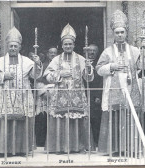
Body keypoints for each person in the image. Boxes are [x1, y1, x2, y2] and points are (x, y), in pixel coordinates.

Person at [96, 10, 145, 156]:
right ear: (113, 34)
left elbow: (143, 66)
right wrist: (111, 67)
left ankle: (132, 148)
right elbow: (99, 69)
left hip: (131, 89)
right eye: (117, 32)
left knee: (131, 116)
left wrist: (144, 49)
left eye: (122, 32)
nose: (120, 35)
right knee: (115, 117)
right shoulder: (107, 52)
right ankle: (114, 149)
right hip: (114, 90)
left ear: (126, 33)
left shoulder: (134, 50)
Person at [0, 27, 42, 157]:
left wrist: (37, 63)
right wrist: (3, 75)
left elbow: (35, 76)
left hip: (22, 96)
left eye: (15, 46)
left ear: (19, 47)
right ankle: (2, 150)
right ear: (7, 46)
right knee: (4, 120)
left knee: (22, 121)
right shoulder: (0, 61)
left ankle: (22, 149)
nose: (13, 48)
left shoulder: (26, 61)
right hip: (4, 96)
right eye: (11, 46)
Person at [43, 24, 94, 153]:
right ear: (62, 45)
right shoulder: (56, 59)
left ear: (74, 45)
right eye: (65, 44)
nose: (68, 46)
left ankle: (78, 147)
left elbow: (88, 79)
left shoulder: (81, 59)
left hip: (77, 95)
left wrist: (88, 69)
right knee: (60, 119)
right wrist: (59, 74)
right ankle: (60, 148)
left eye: (70, 44)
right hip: (59, 96)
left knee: (76, 120)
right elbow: (47, 76)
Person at [34, 47, 58, 146]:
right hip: (45, 95)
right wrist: (43, 92)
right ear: (47, 54)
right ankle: (41, 142)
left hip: (57, 96)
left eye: (54, 53)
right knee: (43, 119)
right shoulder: (43, 66)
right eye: (51, 53)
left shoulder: (60, 65)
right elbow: (37, 81)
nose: (52, 55)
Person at [86, 44, 103, 147]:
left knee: (95, 120)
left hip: (95, 96)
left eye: (94, 51)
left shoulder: (99, 65)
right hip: (84, 95)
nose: (91, 53)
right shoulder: (82, 63)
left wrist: (98, 96)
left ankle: (96, 143)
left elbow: (102, 81)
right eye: (90, 51)